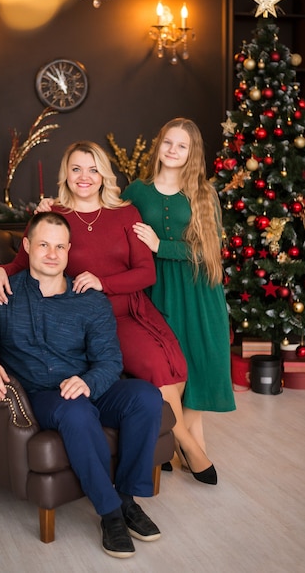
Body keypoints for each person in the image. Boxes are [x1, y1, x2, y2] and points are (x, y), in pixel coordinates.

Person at [0, 141, 217, 484]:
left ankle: (168, 443)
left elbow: (146, 273)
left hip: (132, 308)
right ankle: (185, 443)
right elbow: (23, 262)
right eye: (76, 168)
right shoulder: (52, 215)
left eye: (93, 169)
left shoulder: (125, 212)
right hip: (90, 318)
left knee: (174, 367)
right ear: (66, 173)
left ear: (103, 175)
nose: (85, 176)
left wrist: (102, 281)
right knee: (155, 368)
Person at [0, 212, 163, 559]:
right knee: (75, 411)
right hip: (43, 395)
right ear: (27, 246)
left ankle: (127, 498)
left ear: (69, 250)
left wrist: (87, 382)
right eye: (43, 245)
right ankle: (111, 514)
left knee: (146, 396)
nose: (51, 254)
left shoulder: (89, 298)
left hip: (90, 386)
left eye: (59, 246)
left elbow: (110, 362)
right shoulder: (3, 293)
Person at [122, 118, 236, 471]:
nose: (172, 150)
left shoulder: (204, 193)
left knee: (201, 361)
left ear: (192, 153)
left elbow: (209, 251)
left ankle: (177, 443)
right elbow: (107, 220)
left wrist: (160, 244)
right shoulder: (136, 191)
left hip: (200, 291)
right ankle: (184, 446)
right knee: (171, 366)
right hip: (158, 291)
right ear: (158, 145)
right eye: (168, 143)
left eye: (181, 146)